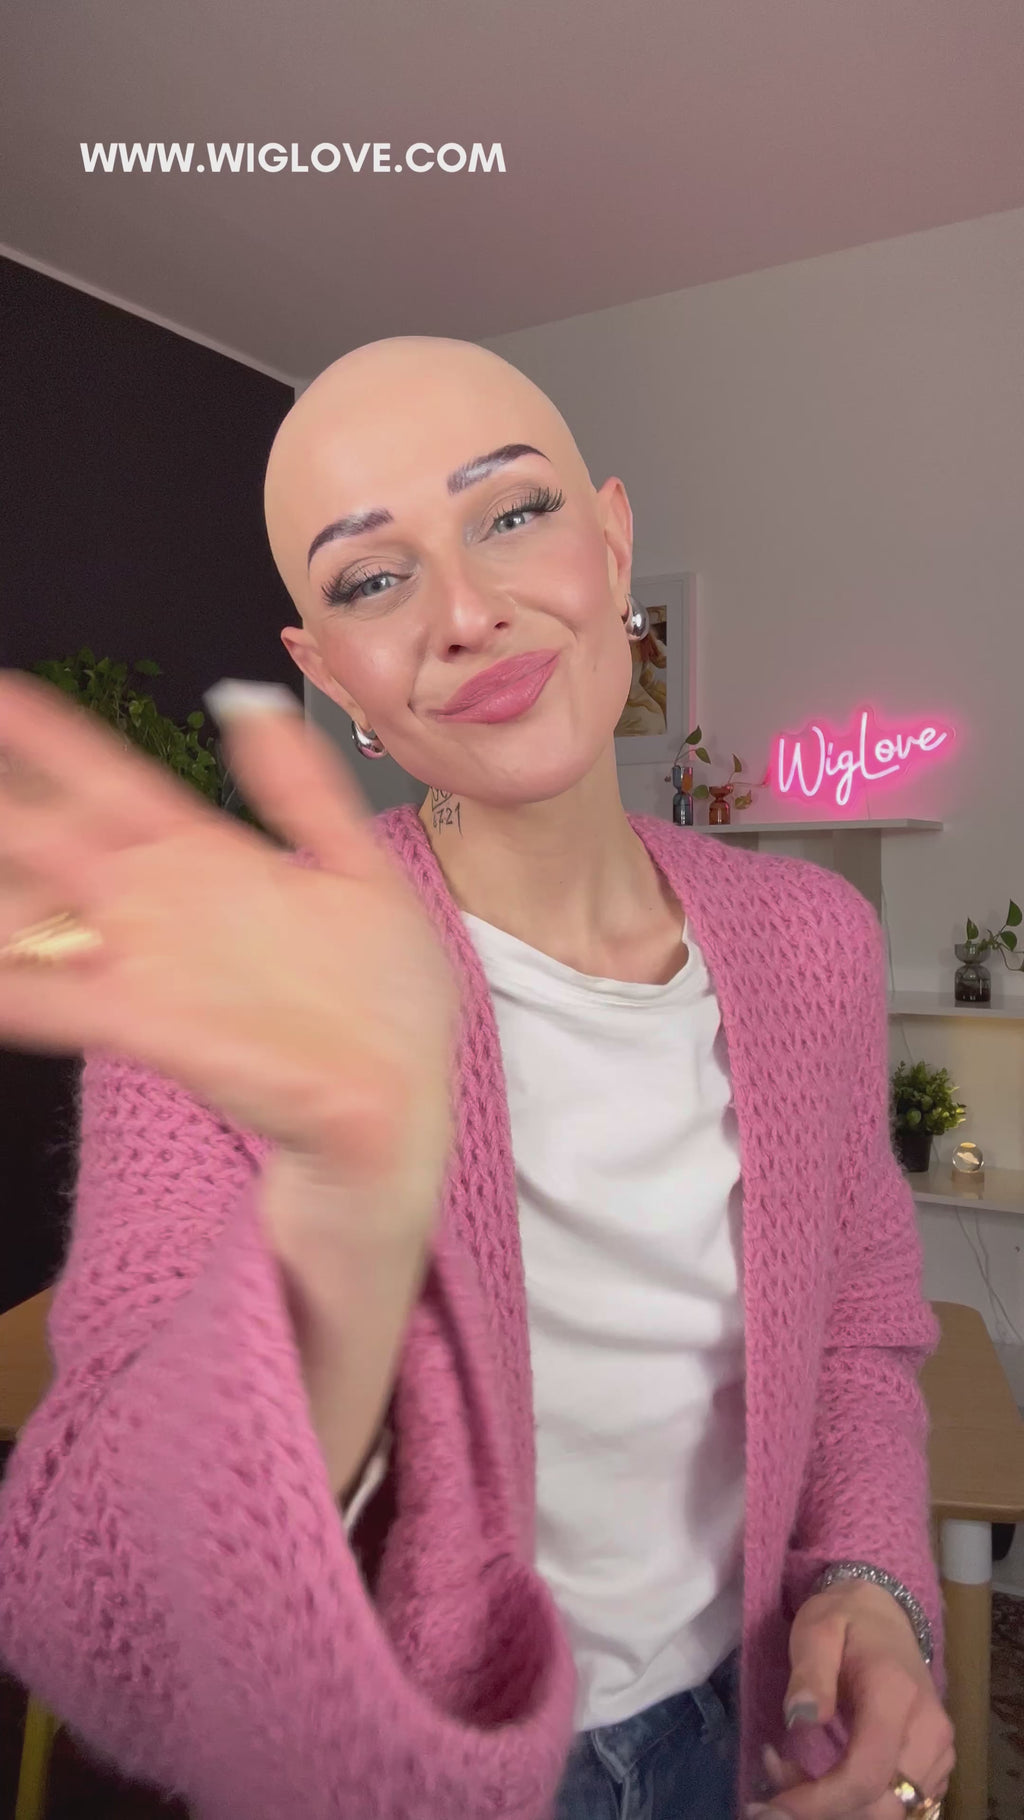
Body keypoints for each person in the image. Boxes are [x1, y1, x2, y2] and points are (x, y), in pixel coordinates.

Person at [0, 337, 953, 1820]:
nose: (464, 612)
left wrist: (875, 1584)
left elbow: (860, 1337)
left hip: (751, 1727)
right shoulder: (246, 994)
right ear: (328, 669)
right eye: (372, 578)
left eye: (511, 512)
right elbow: (95, 1619)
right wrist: (346, 1209)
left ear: (613, 540)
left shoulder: (815, 940)